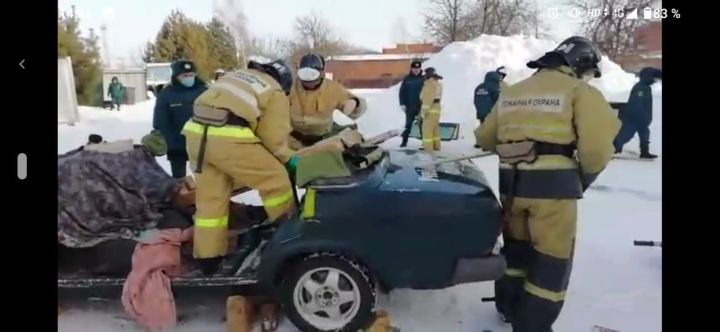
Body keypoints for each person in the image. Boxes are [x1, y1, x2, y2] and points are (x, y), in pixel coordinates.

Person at [478, 36, 620, 332]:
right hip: (554, 191)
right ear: (579, 63)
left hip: (512, 188)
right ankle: (532, 324)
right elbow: (598, 149)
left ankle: (507, 306)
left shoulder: (512, 92)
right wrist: (580, 179)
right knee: (551, 258)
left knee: (516, 249)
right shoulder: (579, 92)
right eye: (590, 71)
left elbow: (484, 138)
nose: (589, 78)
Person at [183, 59, 296, 332]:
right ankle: (291, 236)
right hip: (228, 135)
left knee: (211, 200)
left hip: (196, 135)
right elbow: (273, 139)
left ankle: (208, 259)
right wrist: (290, 160)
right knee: (276, 180)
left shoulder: (237, 76)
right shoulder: (275, 91)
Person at [288, 52, 367, 150]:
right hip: (294, 139)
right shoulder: (290, 87)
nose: (308, 80)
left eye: (312, 74)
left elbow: (353, 101)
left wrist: (355, 103)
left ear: (321, 72)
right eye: (304, 74)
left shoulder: (332, 88)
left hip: (322, 140)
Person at [152, 59, 207, 179]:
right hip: (176, 144)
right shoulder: (167, 94)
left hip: (201, 144)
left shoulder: (204, 91)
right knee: (179, 180)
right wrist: (167, 140)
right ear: (176, 76)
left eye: (191, 75)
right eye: (185, 75)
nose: (189, 78)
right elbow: (160, 120)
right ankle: (183, 196)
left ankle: (205, 196)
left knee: (206, 177)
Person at [613, 66, 662, 159]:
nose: (655, 80)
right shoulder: (640, 88)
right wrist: (640, 118)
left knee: (645, 135)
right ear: (648, 77)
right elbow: (636, 104)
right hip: (634, 119)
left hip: (642, 119)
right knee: (626, 135)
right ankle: (614, 148)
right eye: (654, 78)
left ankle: (644, 152)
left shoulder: (646, 87)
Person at [398, 60, 425, 147]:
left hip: (422, 106)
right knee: (408, 125)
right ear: (411, 69)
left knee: (423, 125)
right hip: (410, 106)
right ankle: (404, 142)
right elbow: (402, 92)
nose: (416, 70)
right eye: (414, 68)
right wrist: (402, 103)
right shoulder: (407, 79)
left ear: (420, 68)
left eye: (418, 68)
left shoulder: (424, 78)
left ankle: (425, 143)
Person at [473, 71, 502, 148]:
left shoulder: (479, 87)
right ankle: (492, 144)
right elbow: (499, 99)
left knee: (483, 127)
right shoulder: (495, 86)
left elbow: (475, 101)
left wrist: (479, 109)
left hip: (481, 112)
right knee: (493, 128)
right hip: (491, 112)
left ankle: (480, 143)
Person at [419, 67, 443, 151]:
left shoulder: (429, 84)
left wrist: (423, 112)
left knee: (427, 132)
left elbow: (428, 99)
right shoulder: (438, 83)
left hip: (430, 110)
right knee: (435, 130)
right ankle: (436, 147)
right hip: (437, 109)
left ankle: (428, 150)